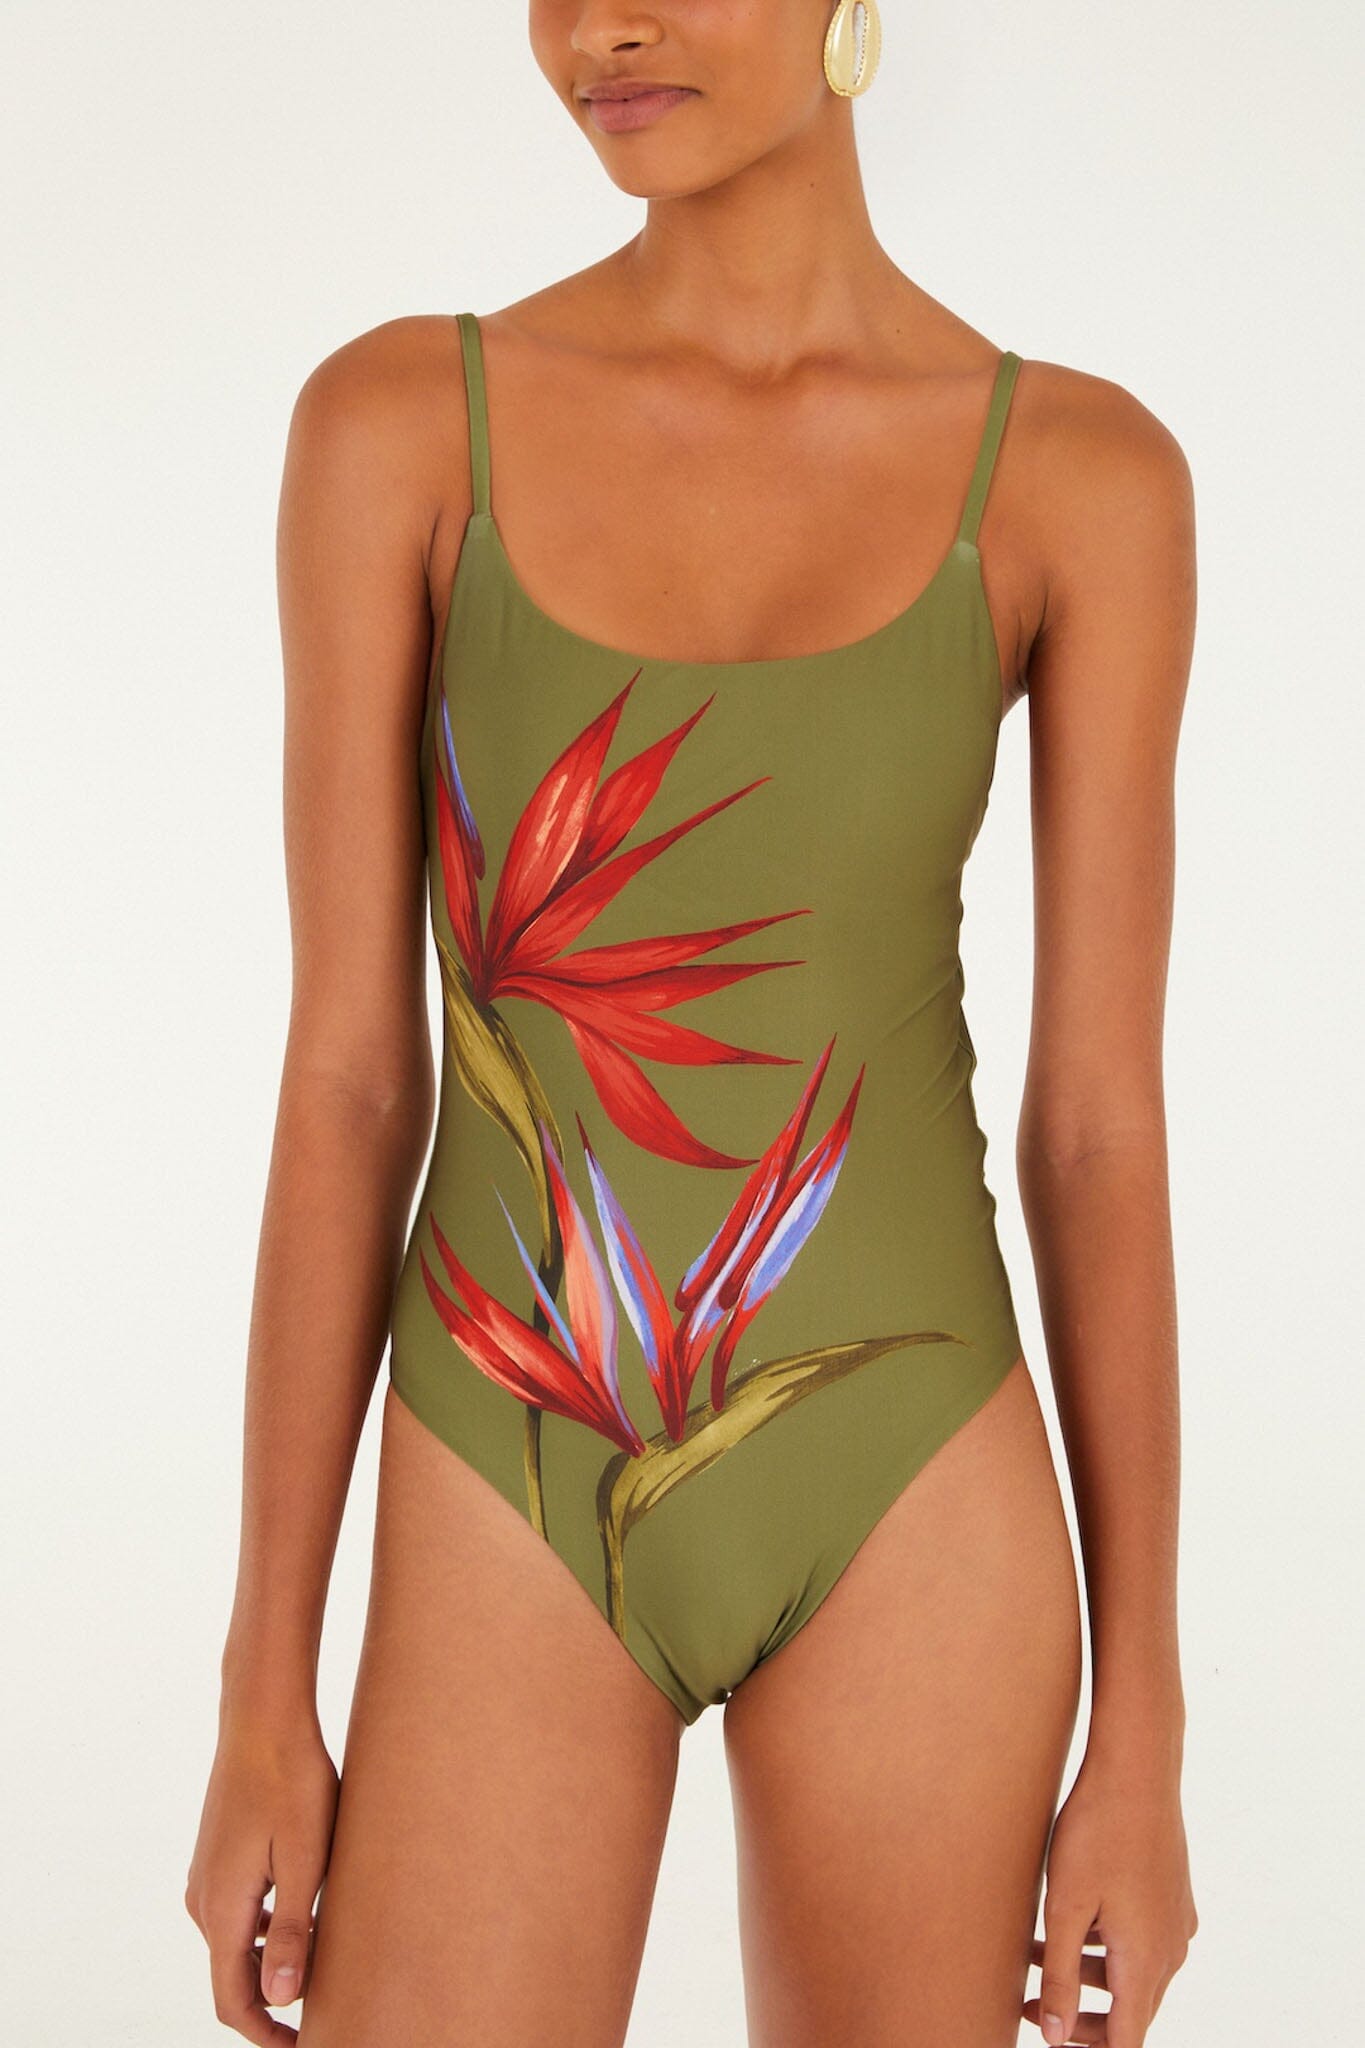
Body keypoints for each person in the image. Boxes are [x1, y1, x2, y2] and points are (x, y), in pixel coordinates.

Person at [184, 2, 1199, 2042]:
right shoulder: (402, 428)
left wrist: (1146, 1727)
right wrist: (261, 1686)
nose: (603, 27)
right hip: (505, 1449)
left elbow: (1094, 1122)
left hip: (912, 1467)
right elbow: (351, 1076)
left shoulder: (1078, 477)